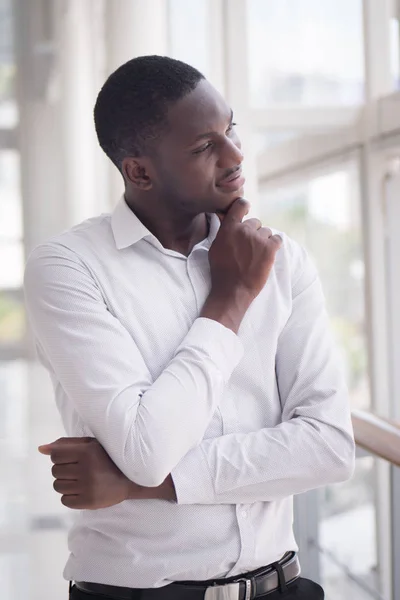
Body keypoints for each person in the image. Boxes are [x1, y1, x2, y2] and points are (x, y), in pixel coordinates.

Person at [24, 55, 355, 600]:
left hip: (283, 585)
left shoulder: (282, 258)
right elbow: (147, 447)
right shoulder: (69, 267)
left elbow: (329, 446)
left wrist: (137, 485)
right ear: (140, 171)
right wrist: (230, 299)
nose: (234, 156)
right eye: (204, 147)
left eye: (231, 131)